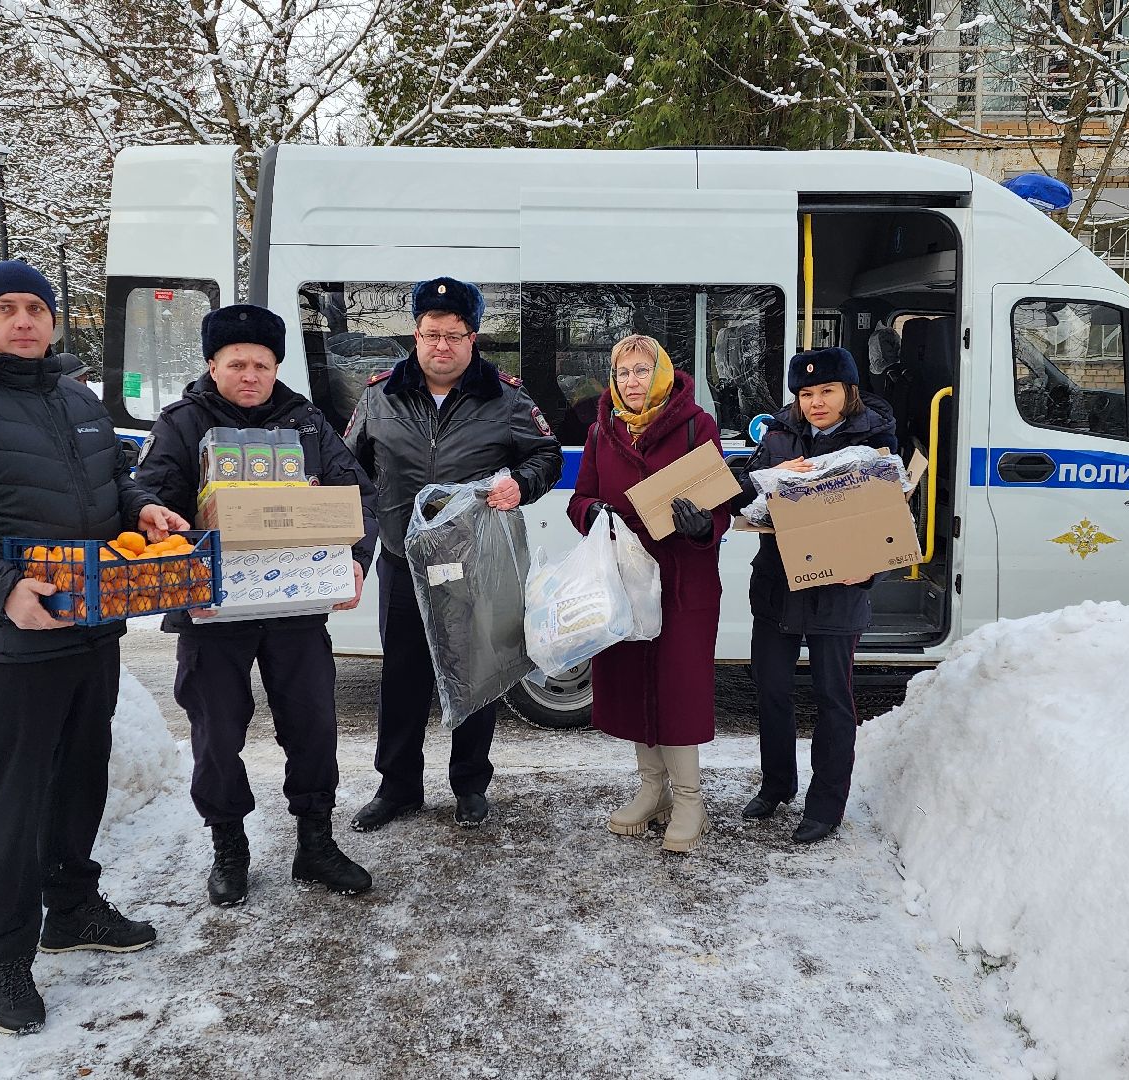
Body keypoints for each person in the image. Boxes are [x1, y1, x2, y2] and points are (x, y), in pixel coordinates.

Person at [0, 260, 186, 1036]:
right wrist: (1, 588)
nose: (24, 321)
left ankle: (72, 906)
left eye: (36, 309)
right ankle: (6, 956)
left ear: (54, 322)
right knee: (9, 805)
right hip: (4, 645)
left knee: (80, 781)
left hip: (90, 627)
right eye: (6, 308)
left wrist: (146, 510)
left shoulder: (75, 398)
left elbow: (116, 484)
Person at [134, 304, 378, 905]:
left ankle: (315, 842)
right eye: (236, 363)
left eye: (261, 365)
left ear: (277, 367)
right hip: (213, 610)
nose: (250, 375)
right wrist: (167, 521)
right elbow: (143, 496)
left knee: (314, 724)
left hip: (296, 606)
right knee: (216, 731)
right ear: (212, 365)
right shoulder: (182, 424)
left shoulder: (307, 424)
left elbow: (360, 498)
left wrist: (355, 558)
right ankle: (228, 846)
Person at [343, 276, 563, 832]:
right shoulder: (379, 396)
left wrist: (521, 482)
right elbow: (348, 472)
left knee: (475, 675)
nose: (441, 346)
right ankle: (397, 788)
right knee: (403, 681)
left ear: (473, 338)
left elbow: (548, 456)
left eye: (453, 335)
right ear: (415, 335)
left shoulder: (506, 398)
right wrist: (351, 547)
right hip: (401, 561)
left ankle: (469, 784)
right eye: (430, 334)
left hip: (472, 567)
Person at [565, 334, 727, 854]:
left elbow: (718, 503)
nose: (632, 381)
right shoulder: (601, 431)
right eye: (623, 372)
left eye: (642, 370)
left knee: (678, 685)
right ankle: (652, 788)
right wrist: (590, 513)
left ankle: (689, 799)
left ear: (660, 373)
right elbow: (580, 497)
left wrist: (703, 525)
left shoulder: (693, 425)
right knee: (635, 683)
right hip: (625, 580)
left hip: (683, 576)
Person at [735, 346, 902, 844]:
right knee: (772, 691)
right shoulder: (780, 436)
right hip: (778, 584)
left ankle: (826, 805)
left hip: (839, 588)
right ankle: (776, 785)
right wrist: (763, 489)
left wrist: (868, 570)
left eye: (826, 391)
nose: (816, 402)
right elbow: (753, 496)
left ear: (848, 391)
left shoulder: (874, 439)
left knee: (832, 698)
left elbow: (889, 518)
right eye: (806, 393)